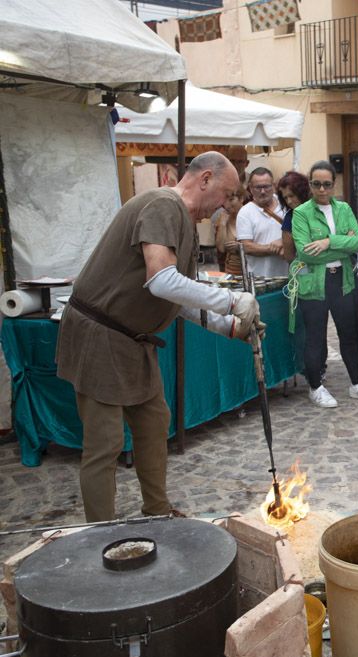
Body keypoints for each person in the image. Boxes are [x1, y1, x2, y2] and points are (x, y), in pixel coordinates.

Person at [56, 152, 257, 522]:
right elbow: (162, 280)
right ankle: (100, 531)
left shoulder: (181, 220)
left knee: (153, 422)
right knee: (105, 444)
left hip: (134, 340)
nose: (223, 208)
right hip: (100, 336)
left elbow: (175, 295)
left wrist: (225, 325)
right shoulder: (163, 204)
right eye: (226, 195)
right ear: (205, 179)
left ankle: (158, 511)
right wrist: (232, 301)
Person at [290, 161, 358, 407]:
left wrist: (329, 242)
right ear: (310, 185)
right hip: (315, 283)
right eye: (316, 184)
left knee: (348, 333)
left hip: (343, 280)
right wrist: (343, 245)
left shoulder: (343, 209)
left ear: (333, 185)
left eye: (327, 184)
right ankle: (315, 387)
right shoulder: (301, 214)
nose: (321, 190)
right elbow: (305, 253)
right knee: (315, 338)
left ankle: (356, 383)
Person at [237, 167, 287, 276]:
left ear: (273, 185)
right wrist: (272, 248)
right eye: (258, 187)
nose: (263, 191)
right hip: (261, 279)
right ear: (250, 188)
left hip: (290, 276)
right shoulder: (245, 212)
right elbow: (246, 246)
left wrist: (285, 241)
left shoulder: (286, 203)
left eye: (266, 187)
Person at [213, 186, 245, 276]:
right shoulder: (223, 218)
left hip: (251, 270)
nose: (227, 205)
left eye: (231, 200)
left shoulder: (251, 216)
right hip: (230, 272)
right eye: (224, 201)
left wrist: (241, 247)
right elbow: (221, 248)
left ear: (241, 199)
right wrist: (223, 224)